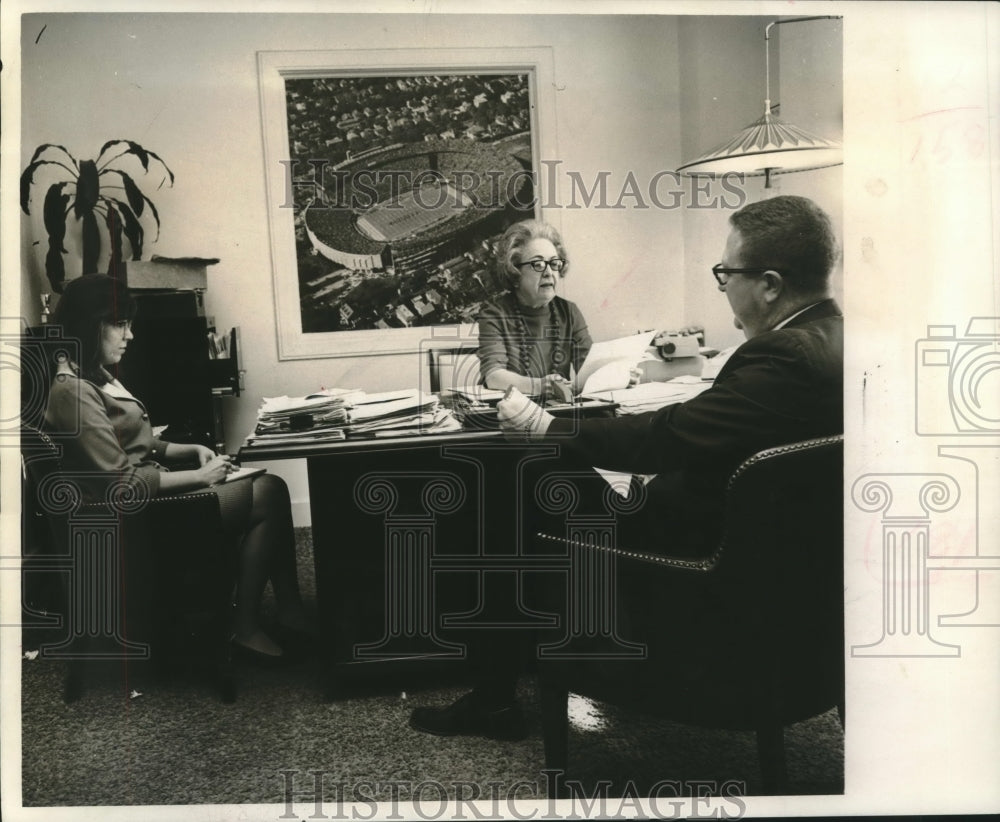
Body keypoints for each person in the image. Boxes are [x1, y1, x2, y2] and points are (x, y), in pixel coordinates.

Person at [409, 194, 843, 740]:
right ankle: (512, 663)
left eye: (725, 273)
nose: (724, 285)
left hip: (688, 561)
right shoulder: (843, 342)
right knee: (537, 480)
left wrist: (547, 428)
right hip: (769, 560)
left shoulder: (782, 355)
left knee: (514, 477)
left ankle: (494, 690)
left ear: (771, 284)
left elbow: (667, 439)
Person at [44, 274, 311, 663]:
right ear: (91, 323)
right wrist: (201, 477)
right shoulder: (73, 392)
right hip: (136, 520)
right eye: (120, 324)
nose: (130, 335)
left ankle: (288, 610)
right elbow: (122, 486)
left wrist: (191, 449)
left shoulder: (93, 374)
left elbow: (136, 441)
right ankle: (248, 626)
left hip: (149, 500)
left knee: (271, 487)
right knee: (269, 492)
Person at [476, 219, 592, 400]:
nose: (548, 272)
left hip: (560, 414)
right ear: (515, 271)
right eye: (538, 264)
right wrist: (539, 386)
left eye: (554, 263)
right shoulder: (494, 314)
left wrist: (617, 376)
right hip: (510, 414)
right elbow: (493, 376)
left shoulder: (569, 311)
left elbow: (588, 369)